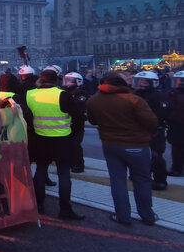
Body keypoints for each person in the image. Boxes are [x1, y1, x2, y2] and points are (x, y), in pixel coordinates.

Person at [86, 73, 159, 225]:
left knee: (118, 181)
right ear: (122, 84)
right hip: (137, 145)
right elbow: (151, 122)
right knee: (142, 181)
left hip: (110, 144)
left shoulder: (93, 100)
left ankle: (123, 216)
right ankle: (147, 215)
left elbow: (92, 120)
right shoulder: (134, 100)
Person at [21, 69, 85, 220]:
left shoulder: (30, 94)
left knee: (41, 171)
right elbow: (78, 118)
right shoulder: (63, 94)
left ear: (41, 80)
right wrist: (72, 134)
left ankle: (39, 205)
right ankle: (65, 209)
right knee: (64, 174)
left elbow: (26, 115)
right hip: (62, 139)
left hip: (40, 138)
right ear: (57, 80)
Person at [131, 71, 169, 190]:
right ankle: (139, 175)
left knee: (156, 156)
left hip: (155, 130)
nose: (142, 83)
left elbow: (163, 113)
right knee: (136, 154)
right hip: (137, 129)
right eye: (141, 80)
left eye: (146, 81)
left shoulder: (158, 96)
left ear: (152, 83)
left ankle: (160, 180)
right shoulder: (135, 95)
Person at [62, 72, 88, 174]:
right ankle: (69, 162)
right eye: (67, 80)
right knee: (67, 145)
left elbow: (79, 109)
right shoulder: (63, 93)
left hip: (77, 124)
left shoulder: (82, 94)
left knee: (75, 144)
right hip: (65, 123)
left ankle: (78, 165)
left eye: (71, 81)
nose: (68, 83)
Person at [168, 70, 184, 177]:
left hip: (176, 124)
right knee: (177, 148)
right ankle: (176, 168)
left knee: (177, 148)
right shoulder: (172, 93)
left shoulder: (173, 93)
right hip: (176, 124)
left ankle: (177, 169)